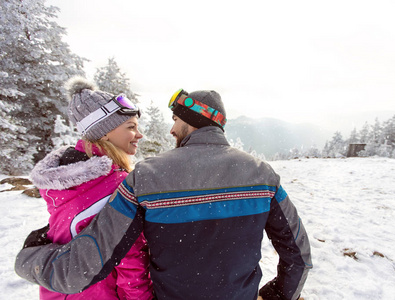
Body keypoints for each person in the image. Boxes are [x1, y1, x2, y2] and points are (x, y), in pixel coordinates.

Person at [16, 89, 312, 300]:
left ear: (190, 122)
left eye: (176, 120)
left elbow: (89, 262)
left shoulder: (147, 177)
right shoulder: (262, 174)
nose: (171, 129)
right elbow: (297, 252)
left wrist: (30, 258)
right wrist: (279, 295)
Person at [26, 76, 153, 299]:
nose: (139, 134)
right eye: (131, 127)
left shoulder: (62, 179)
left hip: (60, 292)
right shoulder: (118, 186)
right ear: (104, 132)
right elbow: (130, 260)